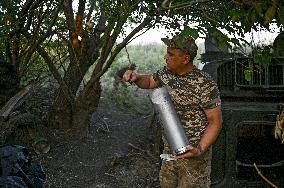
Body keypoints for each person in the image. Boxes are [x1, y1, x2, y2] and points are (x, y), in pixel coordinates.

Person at [123, 34, 223, 188]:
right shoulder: (166, 74)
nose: (165, 57)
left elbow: (215, 122)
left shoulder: (205, 84)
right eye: (166, 53)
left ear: (185, 59)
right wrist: (136, 78)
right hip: (170, 154)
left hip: (194, 160)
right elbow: (149, 82)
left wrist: (200, 149)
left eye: (171, 54)